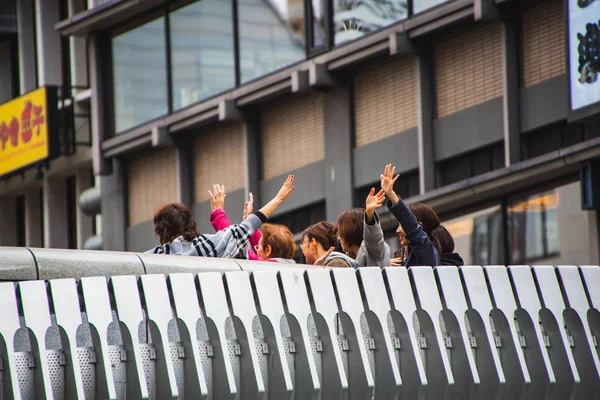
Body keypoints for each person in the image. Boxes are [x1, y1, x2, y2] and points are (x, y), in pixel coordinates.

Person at [148, 175, 295, 257]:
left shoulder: (152, 257)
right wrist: (278, 199)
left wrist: (219, 211)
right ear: (190, 223)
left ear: (160, 233)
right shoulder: (207, 245)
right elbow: (243, 229)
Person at [208, 186, 295, 263]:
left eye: (258, 247)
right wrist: (249, 221)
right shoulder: (290, 266)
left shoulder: (266, 268)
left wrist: (218, 213)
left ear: (268, 250)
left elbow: (233, 243)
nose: (256, 250)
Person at [381, 164, 441, 267]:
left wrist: (391, 195)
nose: (398, 230)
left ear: (419, 226)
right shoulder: (408, 258)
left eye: (402, 225)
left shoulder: (426, 252)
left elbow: (413, 229)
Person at [335, 188, 391, 267]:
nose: (338, 238)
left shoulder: (372, 248)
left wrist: (369, 214)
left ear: (351, 230)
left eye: (341, 232)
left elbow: (374, 238)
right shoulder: (356, 256)